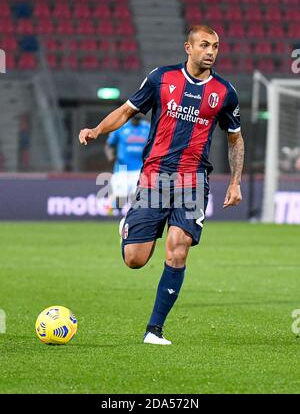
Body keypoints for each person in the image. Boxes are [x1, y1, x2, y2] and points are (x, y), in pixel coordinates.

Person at [79, 25, 244, 345]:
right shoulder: (161, 78)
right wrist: (98, 129)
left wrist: (235, 181)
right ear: (188, 47)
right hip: (155, 177)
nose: (211, 51)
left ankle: (154, 329)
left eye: (216, 47)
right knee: (135, 260)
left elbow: (235, 139)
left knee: (178, 247)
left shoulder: (225, 92)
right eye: (205, 45)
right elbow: (128, 111)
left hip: (193, 180)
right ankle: (131, 223)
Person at [104, 115, 150, 214]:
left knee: (137, 198)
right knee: (120, 199)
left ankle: (131, 221)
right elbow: (109, 144)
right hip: (122, 168)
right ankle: (110, 211)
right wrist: (110, 156)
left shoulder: (148, 127)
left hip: (139, 168)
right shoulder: (121, 127)